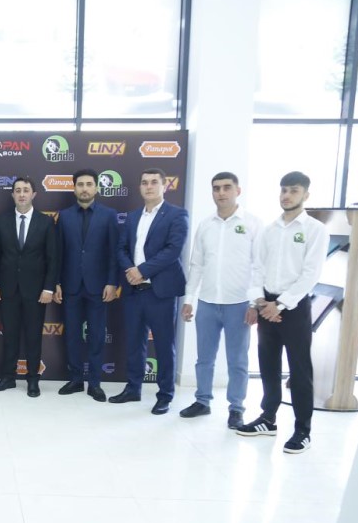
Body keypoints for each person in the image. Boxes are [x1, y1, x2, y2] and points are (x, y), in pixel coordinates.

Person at [238, 171, 329, 454]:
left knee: (299, 370)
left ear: (306, 195)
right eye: (284, 190)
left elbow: (310, 274)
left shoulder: (315, 229)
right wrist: (260, 301)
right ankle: (268, 419)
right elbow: (257, 269)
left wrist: (279, 305)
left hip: (294, 306)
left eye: (293, 190)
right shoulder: (270, 230)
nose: (287, 196)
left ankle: (303, 430)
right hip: (266, 305)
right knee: (268, 365)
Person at [180, 172, 260, 429]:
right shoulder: (205, 225)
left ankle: (236, 408)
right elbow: (197, 265)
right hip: (207, 302)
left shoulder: (253, 224)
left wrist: (254, 303)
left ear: (238, 190)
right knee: (204, 358)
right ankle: (202, 401)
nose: (221, 193)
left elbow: (259, 267)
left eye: (227, 187)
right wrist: (189, 298)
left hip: (239, 304)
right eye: (216, 188)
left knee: (238, 361)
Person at [110, 168, 189, 415]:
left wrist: (142, 270)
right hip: (133, 290)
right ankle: (133, 388)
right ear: (140, 187)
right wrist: (131, 271)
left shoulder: (177, 214)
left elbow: (173, 250)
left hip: (160, 291)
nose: (149, 186)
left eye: (155, 182)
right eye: (145, 182)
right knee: (134, 343)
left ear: (165, 186)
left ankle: (165, 395)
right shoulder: (133, 217)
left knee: (164, 345)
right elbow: (121, 248)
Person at [0, 177, 59, 398]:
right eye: (17, 190)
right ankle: (8, 377)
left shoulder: (45, 222)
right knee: (10, 336)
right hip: (7, 289)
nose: (21, 194)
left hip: (36, 292)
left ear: (33, 194)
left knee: (33, 336)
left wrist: (49, 288)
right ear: (12, 195)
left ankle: (33, 379)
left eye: (25, 190)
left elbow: (53, 258)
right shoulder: (1, 221)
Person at [54, 168, 119, 402]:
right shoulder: (64, 216)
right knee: (72, 335)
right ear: (74, 189)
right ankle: (75, 380)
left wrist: (112, 282)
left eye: (89, 184)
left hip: (98, 286)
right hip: (70, 285)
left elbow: (114, 252)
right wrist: (56, 282)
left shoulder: (109, 215)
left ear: (96, 188)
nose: (84, 189)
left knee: (96, 336)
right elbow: (58, 253)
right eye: (80, 184)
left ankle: (94, 383)